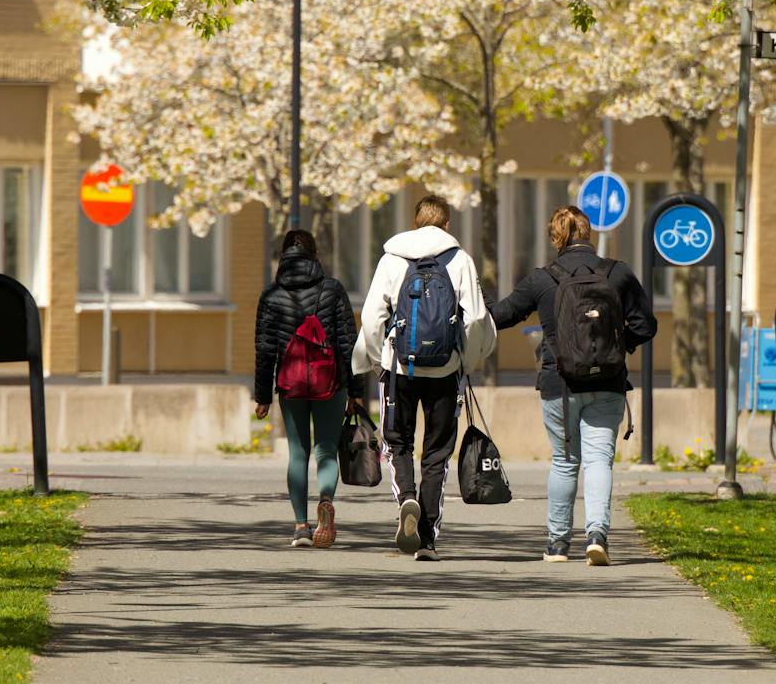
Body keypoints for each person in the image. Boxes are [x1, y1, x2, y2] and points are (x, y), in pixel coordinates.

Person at [492, 205, 655, 565]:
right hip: (609, 381)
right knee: (599, 461)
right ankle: (597, 535)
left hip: (559, 383)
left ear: (557, 238)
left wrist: (472, 302)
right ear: (588, 233)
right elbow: (647, 325)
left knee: (565, 461)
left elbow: (502, 315)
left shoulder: (542, 279)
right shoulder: (618, 273)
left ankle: (557, 544)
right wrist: (616, 347)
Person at [353, 194, 495, 560]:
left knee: (396, 442)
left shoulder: (392, 259)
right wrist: (470, 359)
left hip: (399, 370)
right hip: (445, 370)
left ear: (415, 222)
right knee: (437, 452)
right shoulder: (459, 259)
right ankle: (428, 537)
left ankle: (407, 499)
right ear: (447, 225)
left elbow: (371, 317)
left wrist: (375, 360)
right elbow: (477, 318)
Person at [254, 229, 365, 549]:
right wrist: (357, 389)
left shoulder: (271, 296)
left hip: (291, 386)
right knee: (327, 449)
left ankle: (301, 527)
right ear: (315, 255)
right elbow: (348, 342)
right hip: (330, 383)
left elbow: (264, 350)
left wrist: (262, 396)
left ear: (283, 257)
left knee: (298, 453)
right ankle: (326, 501)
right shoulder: (333, 290)